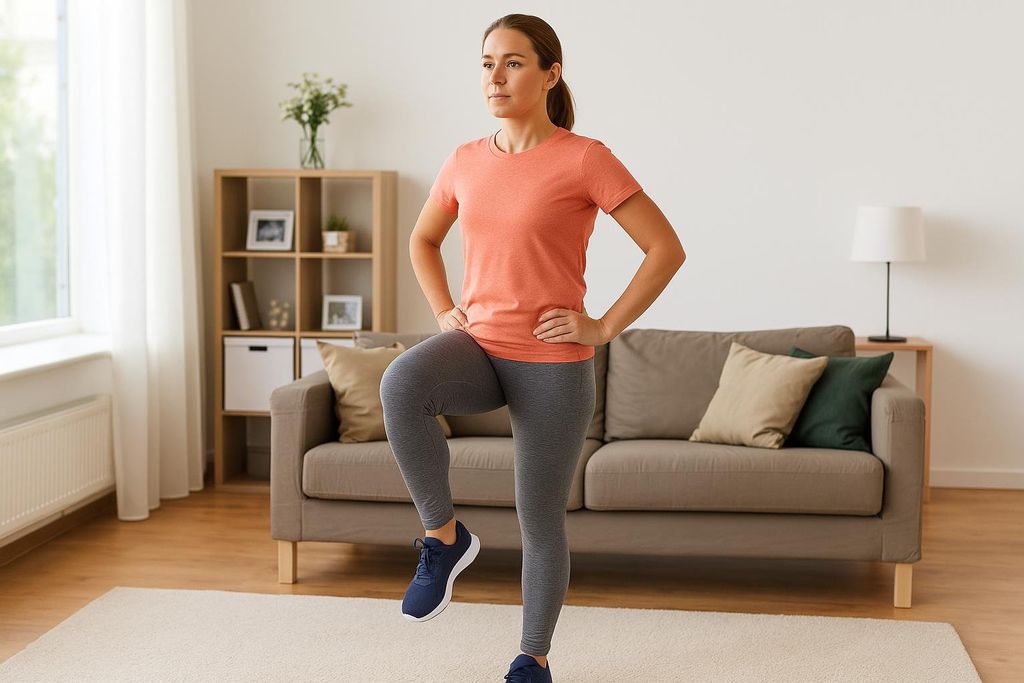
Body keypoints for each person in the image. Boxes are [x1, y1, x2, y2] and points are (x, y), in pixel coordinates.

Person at [380, 13, 686, 682]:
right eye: (487, 61)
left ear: (550, 74)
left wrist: (602, 327)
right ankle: (444, 536)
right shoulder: (464, 159)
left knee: (539, 516)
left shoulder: (585, 158)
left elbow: (666, 249)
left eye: (513, 62)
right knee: (402, 384)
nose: (495, 75)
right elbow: (422, 240)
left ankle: (532, 656)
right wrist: (442, 309)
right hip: (479, 347)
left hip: (553, 364)